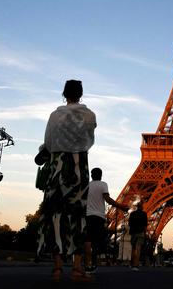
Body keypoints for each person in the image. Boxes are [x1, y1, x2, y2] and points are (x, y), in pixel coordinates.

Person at [37, 80, 96, 282]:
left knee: (56, 215)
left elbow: (49, 142)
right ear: (81, 94)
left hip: (57, 167)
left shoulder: (55, 116)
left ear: (64, 94)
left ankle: (57, 268)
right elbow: (88, 140)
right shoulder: (89, 115)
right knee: (78, 216)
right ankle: (77, 268)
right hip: (79, 167)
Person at [84, 167, 128, 273]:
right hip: (99, 217)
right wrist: (120, 206)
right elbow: (107, 199)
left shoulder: (87, 185)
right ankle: (93, 263)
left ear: (91, 175)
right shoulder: (103, 184)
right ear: (101, 175)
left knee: (88, 240)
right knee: (97, 241)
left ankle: (87, 264)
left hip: (88, 215)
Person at [129, 200, 148, 271]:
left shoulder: (132, 214)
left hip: (133, 232)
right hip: (140, 232)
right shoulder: (144, 214)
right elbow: (145, 225)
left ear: (137, 207)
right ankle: (136, 265)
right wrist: (145, 234)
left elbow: (129, 224)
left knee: (133, 249)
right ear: (142, 207)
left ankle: (131, 264)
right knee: (138, 248)